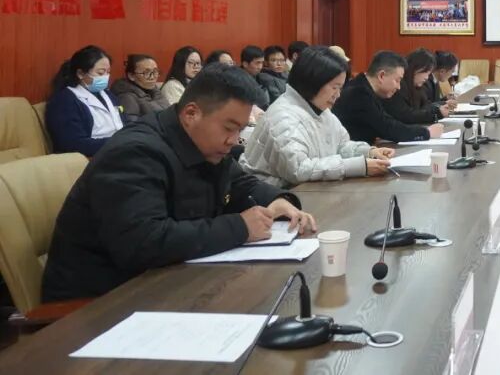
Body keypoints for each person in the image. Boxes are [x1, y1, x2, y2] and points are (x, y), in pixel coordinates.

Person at [41, 64, 317, 302]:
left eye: (240, 130)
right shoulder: (135, 153)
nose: (234, 140)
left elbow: (239, 182)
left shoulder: (207, 145)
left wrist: (278, 200)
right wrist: (240, 227)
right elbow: (143, 243)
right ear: (191, 113)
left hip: (168, 283)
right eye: (229, 128)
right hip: (100, 304)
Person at [240, 47, 394, 187]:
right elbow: (299, 169)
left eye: (340, 88)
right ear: (313, 82)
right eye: (334, 87)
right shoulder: (283, 117)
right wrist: (359, 166)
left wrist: (369, 152)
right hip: (271, 198)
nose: (338, 95)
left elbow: (340, 145)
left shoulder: (318, 107)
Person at [333, 51, 444, 144]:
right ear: (381, 76)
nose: (399, 87)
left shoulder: (365, 88)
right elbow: (388, 127)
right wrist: (427, 132)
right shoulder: (358, 93)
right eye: (397, 80)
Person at [45, 45, 124, 157]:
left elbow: (124, 123)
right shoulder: (64, 101)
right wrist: (118, 143)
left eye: (108, 72)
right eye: (100, 73)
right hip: (94, 158)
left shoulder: (107, 94)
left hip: (120, 150)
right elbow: (73, 144)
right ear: (80, 74)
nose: (106, 77)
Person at [384, 48, 451, 125]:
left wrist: (440, 108)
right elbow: (406, 115)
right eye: (426, 72)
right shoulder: (399, 86)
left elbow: (426, 106)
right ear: (415, 68)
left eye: (429, 73)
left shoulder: (417, 87)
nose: (426, 77)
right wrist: (437, 114)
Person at [111, 53, 170, 123]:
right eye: (146, 73)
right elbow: (132, 124)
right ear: (131, 76)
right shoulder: (126, 97)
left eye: (155, 71)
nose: (152, 77)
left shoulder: (154, 91)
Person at [240, 45, 270, 110]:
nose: (260, 67)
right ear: (245, 64)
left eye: (262, 63)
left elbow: (266, 103)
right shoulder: (237, 82)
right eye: (257, 63)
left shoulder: (262, 79)